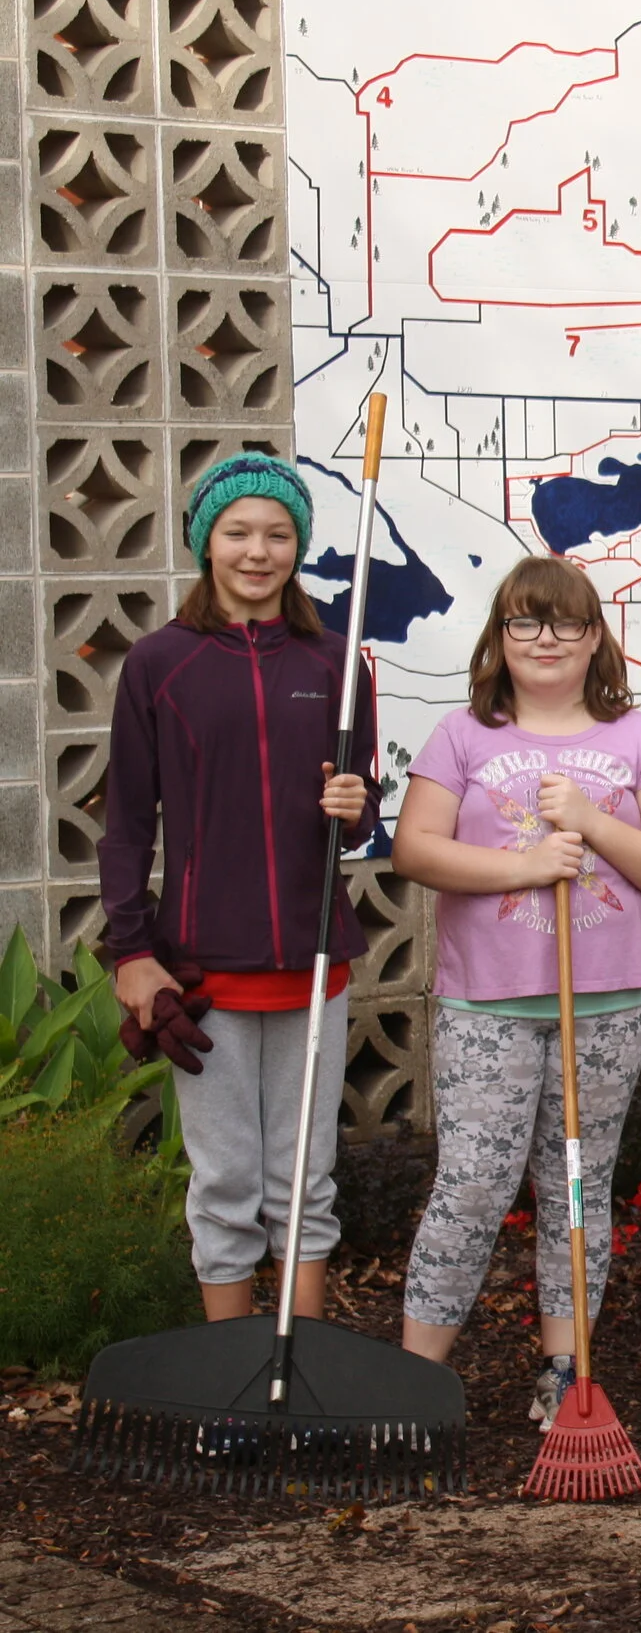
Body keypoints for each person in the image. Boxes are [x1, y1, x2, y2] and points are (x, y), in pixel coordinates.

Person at [392, 557, 641, 1429]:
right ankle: (415, 1380)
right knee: (472, 1186)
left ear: (595, 637)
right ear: (499, 636)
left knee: (577, 1186)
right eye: (524, 622)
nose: (545, 639)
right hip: (488, 1003)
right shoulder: (462, 734)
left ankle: (567, 1369)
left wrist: (594, 822)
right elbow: (415, 849)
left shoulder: (638, 738)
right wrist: (528, 864)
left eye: (566, 623)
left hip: (608, 1002)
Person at [101, 454, 378, 1324]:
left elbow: (358, 816)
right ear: (205, 542)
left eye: (278, 534)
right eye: (238, 532)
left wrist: (357, 806)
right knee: (224, 1185)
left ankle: (300, 1367)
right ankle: (233, 1367)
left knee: (304, 1181)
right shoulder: (158, 663)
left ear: (299, 546)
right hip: (205, 972)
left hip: (315, 960)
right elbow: (126, 823)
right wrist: (132, 951)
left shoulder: (336, 662)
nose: (258, 552)